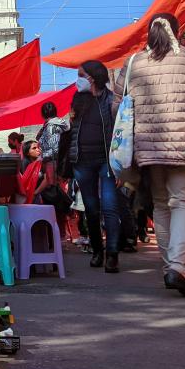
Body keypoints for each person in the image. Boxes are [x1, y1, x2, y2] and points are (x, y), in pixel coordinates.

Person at [113, 13, 185, 297]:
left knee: (161, 204)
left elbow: (117, 105)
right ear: (176, 32)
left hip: (146, 147)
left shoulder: (132, 64)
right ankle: (177, 267)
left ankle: (170, 267)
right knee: (183, 202)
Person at [67, 60, 122, 273]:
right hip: (82, 161)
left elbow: (119, 133)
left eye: (81, 74)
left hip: (106, 162)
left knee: (109, 207)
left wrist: (120, 164)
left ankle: (113, 254)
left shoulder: (110, 100)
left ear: (92, 77)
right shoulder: (78, 99)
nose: (78, 78)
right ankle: (98, 250)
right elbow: (73, 128)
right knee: (90, 209)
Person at [36, 101, 70, 181]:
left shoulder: (51, 126)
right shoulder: (62, 123)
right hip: (63, 162)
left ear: (43, 114)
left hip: (54, 163)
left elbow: (54, 149)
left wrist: (41, 157)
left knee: (54, 188)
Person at [17, 140, 50, 204]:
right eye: (34, 148)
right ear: (27, 153)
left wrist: (35, 193)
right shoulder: (24, 164)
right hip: (31, 197)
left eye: (38, 147)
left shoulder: (43, 162)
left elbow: (47, 180)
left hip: (42, 195)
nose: (37, 150)